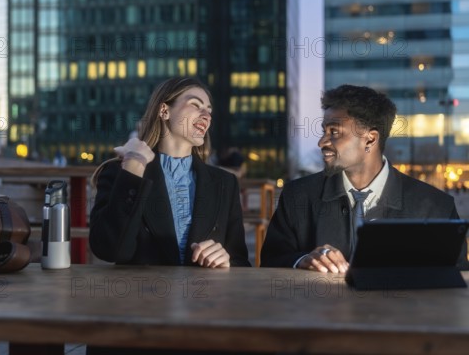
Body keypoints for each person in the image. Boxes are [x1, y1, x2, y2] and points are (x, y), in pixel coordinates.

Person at [88, 77, 250, 354]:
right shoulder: (121, 172)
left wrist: (225, 261)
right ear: (164, 111)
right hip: (135, 323)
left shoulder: (224, 183)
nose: (206, 114)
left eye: (209, 109)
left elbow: (240, 264)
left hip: (203, 322)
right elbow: (110, 248)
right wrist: (134, 165)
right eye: (195, 105)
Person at [261, 84, 468, 272]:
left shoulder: (435, 207)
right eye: (324, 131)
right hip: (321, 312)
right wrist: (303, 260)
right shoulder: (296, 197)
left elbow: (456, 283)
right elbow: (270, 262)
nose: (322, 142)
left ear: (370, 138)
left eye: (334, 132)